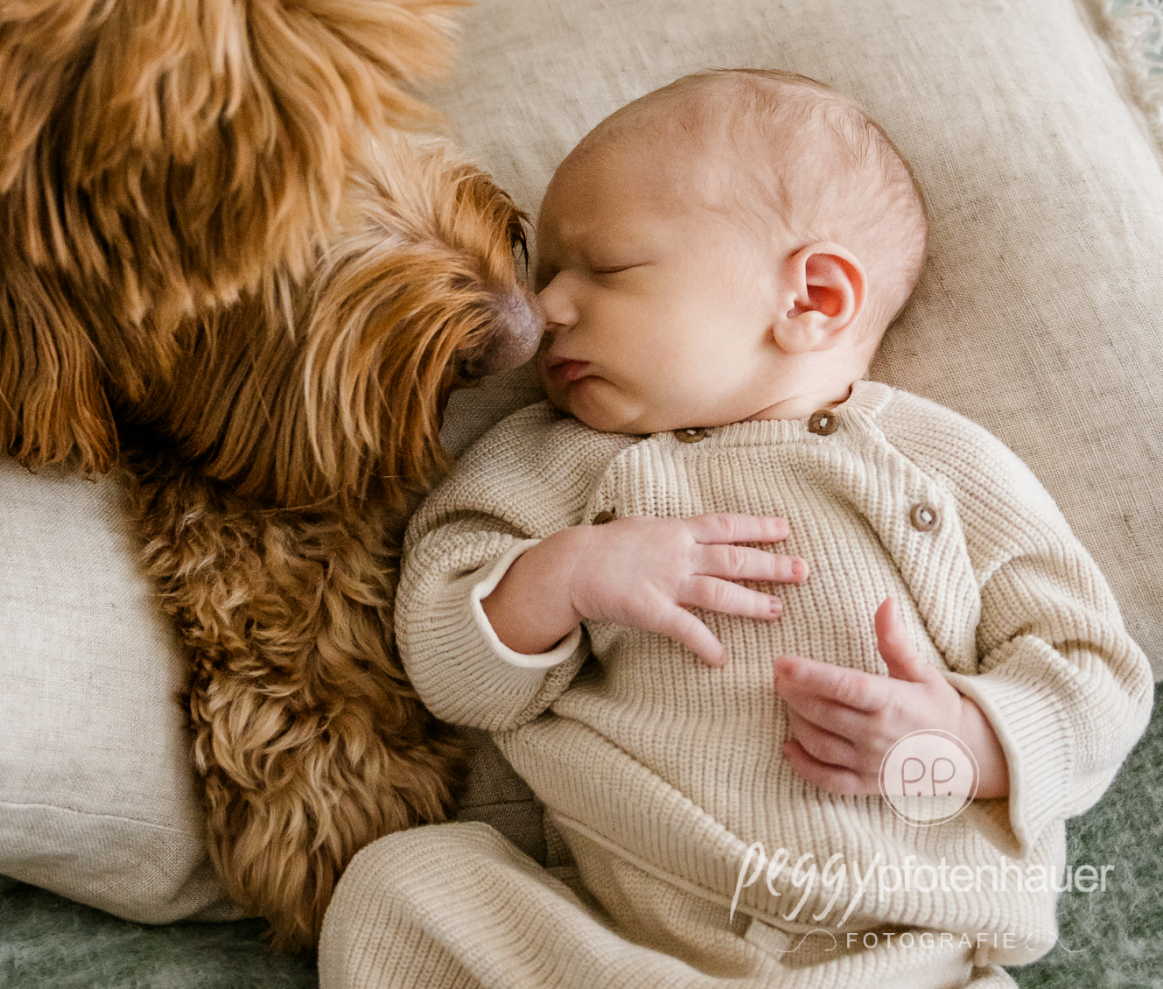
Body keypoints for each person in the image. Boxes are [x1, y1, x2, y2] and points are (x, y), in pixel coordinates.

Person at [317, 70, 1153, 988]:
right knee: (403, 890)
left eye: (606, 268)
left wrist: (973, 738)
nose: (543, 310)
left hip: (902, 945)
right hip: (631, 941)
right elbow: (449, 670)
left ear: (813, 299)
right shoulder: (551, 462)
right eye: (548, 275)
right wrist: (564, 578)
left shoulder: (940, 464)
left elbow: (1096, 669)